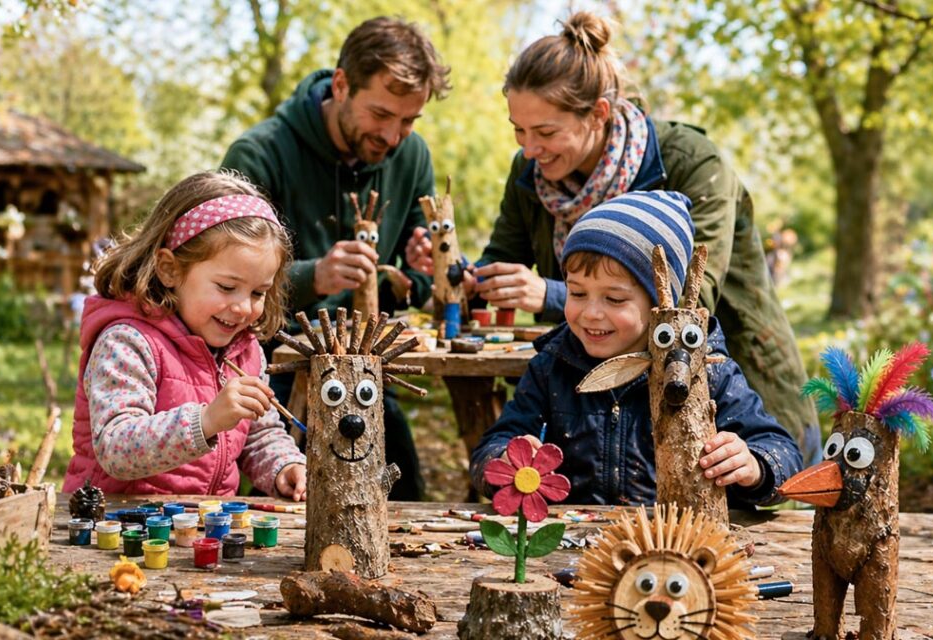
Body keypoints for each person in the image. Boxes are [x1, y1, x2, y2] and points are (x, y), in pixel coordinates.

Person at [407, 11, 819, 464]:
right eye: (518, 130)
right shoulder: (530, 171)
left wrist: (551, 293)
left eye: (545, 132)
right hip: (600, 391)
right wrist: (465, 278)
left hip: (729, 382)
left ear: (598, 114)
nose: (528, 148)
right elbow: (503, 259)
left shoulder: (692, 164)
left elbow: (689, 300)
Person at [221, 16, 451, 500]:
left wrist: (417, 272)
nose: (393, 136)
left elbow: (414, 283)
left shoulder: (412, 158)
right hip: (270, 364)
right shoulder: (260, 154)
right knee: (284, 486)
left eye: (409, 121)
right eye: (382, 115)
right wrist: (314, 276)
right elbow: (223, 278)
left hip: (364, 364)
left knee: (400, 476)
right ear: (342, 85)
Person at [469, 191, 803, 506]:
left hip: (683, 547)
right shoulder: (553, 366)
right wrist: (505, 459)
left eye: (614, 299)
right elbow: (491, 447)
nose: (590, 312)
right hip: (577, 546)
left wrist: (754, 467)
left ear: (662, 304)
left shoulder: (707, 370)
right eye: (577, 293)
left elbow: (783, 453)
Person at [63, 171, 307, 499]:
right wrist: (206, 420)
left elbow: (258, 436)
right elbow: (115, 448)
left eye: (258, 293)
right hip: (117, 528)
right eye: (227, 287)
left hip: (201, 530)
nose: (242, 308)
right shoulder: (128, 342)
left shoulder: (245, 353)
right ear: (170, 269)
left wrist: (284, 466)